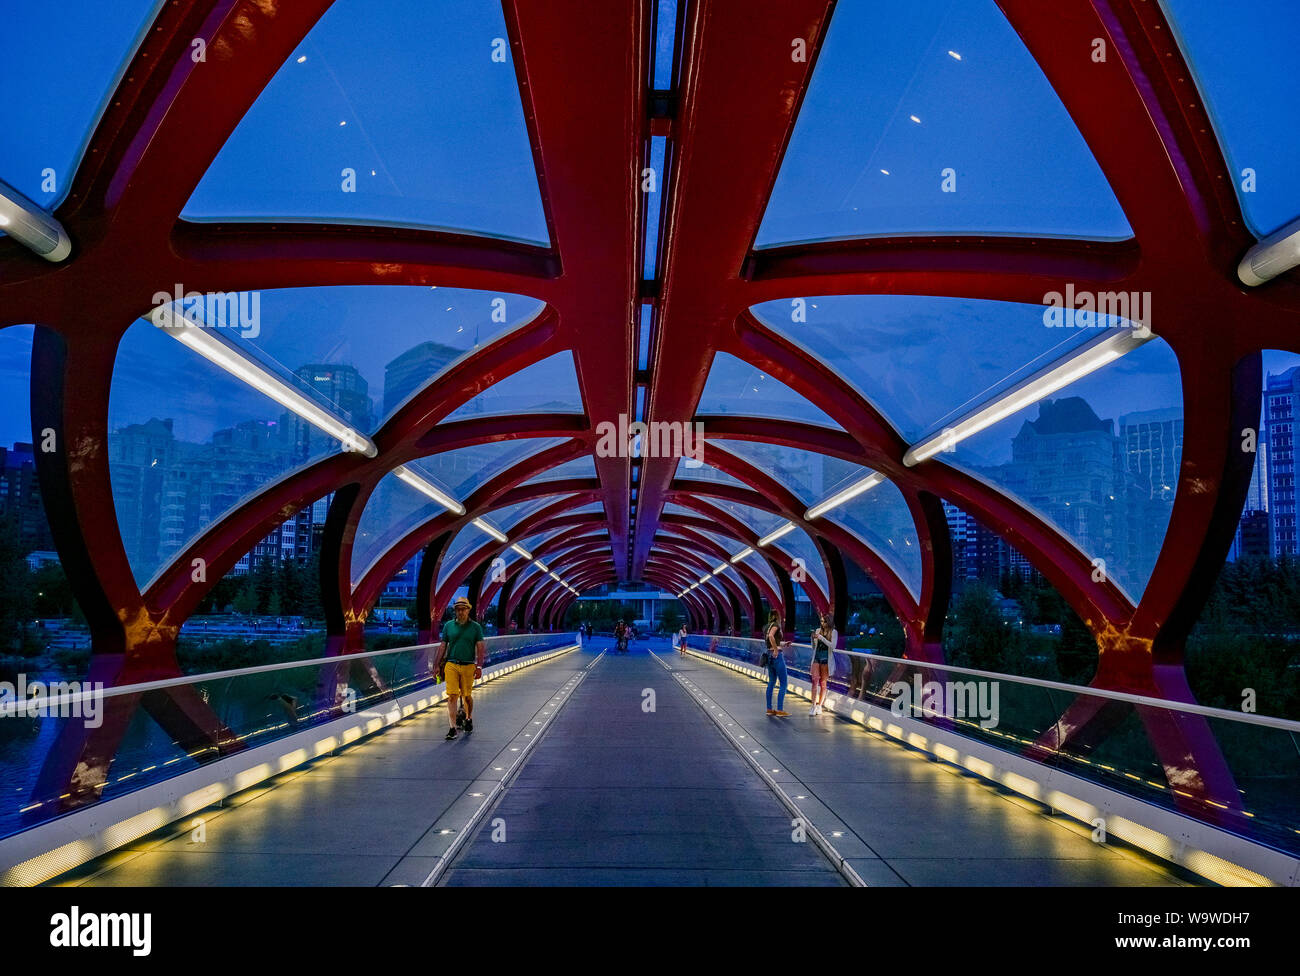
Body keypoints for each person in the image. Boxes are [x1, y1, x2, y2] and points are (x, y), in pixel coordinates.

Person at [433, 597, 485, 740]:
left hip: (468, 665)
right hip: (451, 664)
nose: (460, 612)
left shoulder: (476, 627)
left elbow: (480, 648)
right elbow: (443, 645)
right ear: (455, 611)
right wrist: (436, 665)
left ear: (469, 610)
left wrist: (479, 666)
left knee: (466, 696)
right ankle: (452, 728)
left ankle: (468, 718)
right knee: (452, 696)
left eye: (463, 609)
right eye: (458, 609)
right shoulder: (448, 626)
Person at [809, 611, 838, 715]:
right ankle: (813, 705)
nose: (822, 623)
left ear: (828, 622)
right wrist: (812, 639)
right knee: (814, 681)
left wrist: (821, 638)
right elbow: (813, 647)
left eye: (824, 622)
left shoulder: (834, 632)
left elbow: (833, 646)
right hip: (816, 658)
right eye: (821, 621)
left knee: (823, 683)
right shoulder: (818, 630)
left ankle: (819, 706)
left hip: (826, 660)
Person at [763, 611, 789, 716]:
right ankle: (780, 709)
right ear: (777, 616)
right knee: (783, 683)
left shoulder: (767, 626)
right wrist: (776, 650)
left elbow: (772, 639)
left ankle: (769, 709)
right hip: (776, 656)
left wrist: (783, 644)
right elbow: (771, 636)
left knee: (772, 682)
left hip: (769, 655)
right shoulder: (776, 625)